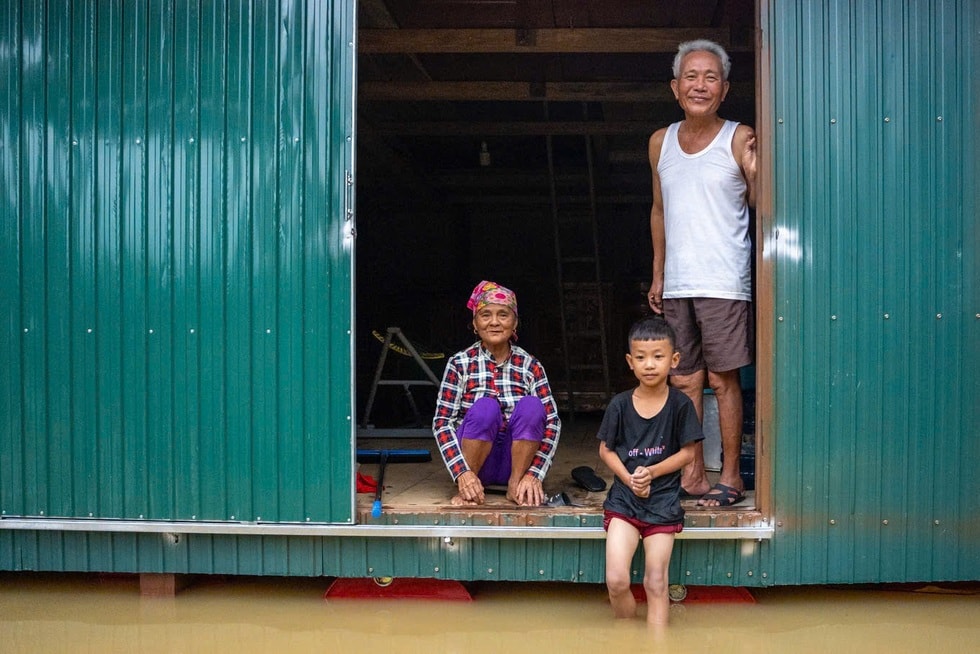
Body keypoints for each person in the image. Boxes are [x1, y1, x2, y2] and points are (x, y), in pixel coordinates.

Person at [647, 39, 757, 507]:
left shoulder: (739, 136)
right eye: (691, 76)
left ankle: (730, 475)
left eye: (710, 77)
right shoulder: (660, 141)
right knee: (683, 379)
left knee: (722, 380)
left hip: (723, 279)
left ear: (725, 88)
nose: (700, 85)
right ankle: (692, 474)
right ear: (675, 87)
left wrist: (755, 172)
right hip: (677, 281)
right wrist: (658, 274)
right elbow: (658, 211)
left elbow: (760, 205)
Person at [598, 316, 702, 626]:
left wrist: (651, 473)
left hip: (662, 504)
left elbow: (689, 452)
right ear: (630, 362)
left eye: (658, 356)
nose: (650, 364)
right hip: (624, 503)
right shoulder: (619, 405)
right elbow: (605, 449)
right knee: (616, 580)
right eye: (641, 357)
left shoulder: (681, 405)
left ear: (674, 360)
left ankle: (657, 644)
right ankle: (627, 637)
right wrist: (629, 479)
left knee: (656, 583)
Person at [432, 280, 561, 507]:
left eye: (503, 315)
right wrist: (462, 473)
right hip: (479, 464)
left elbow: (552, 424)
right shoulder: (460, 363)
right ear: (474, 323)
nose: (494, 322)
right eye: (485, 315)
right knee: (485, 408)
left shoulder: (531, 365)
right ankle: (470, 488)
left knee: (532, 406)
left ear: (515, 322)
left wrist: (534, 475)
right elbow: (442, 423)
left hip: (517, 463)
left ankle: (516, 486)